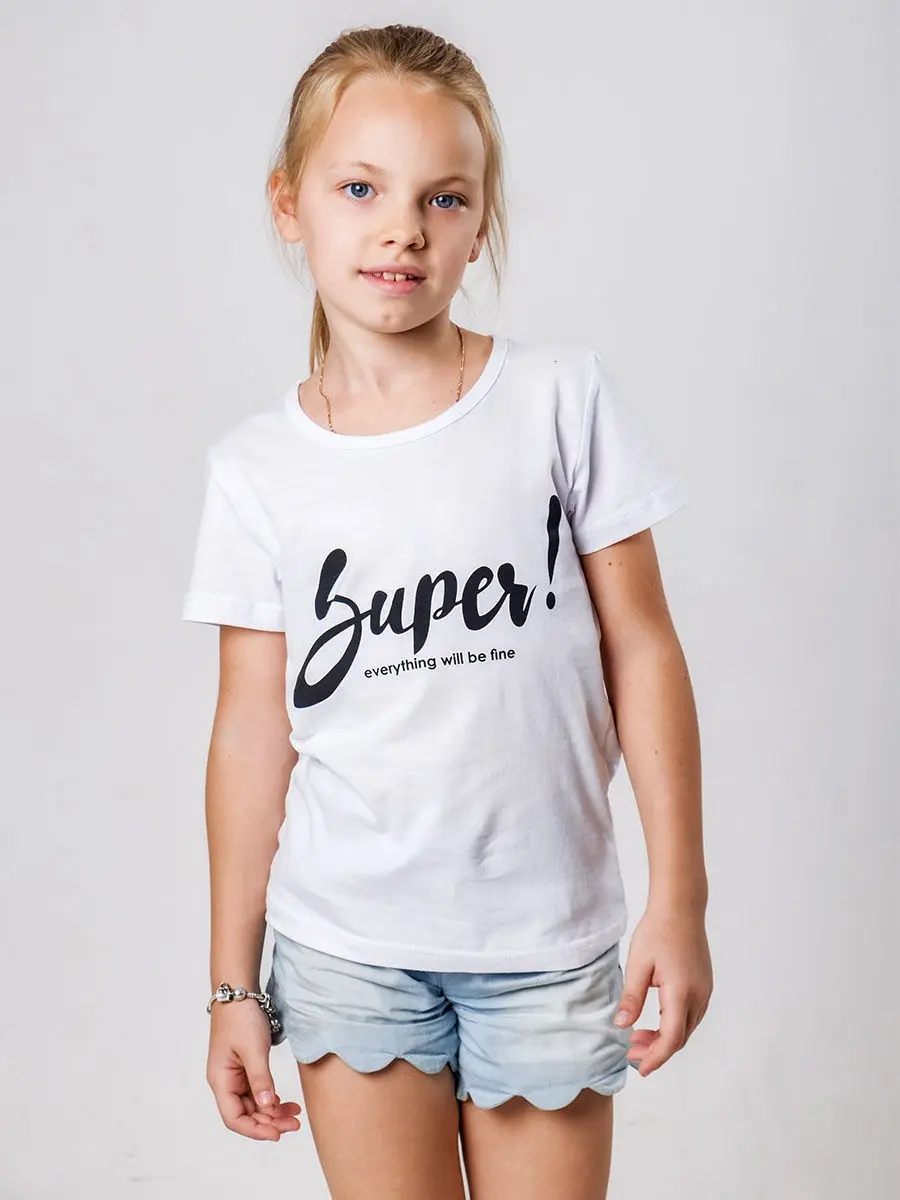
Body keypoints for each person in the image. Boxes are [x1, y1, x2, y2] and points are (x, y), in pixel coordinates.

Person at [181, 21, 713, 1200]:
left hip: (545, 947)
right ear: (289, 205)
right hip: (348, 952)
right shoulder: (257, 470)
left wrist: (680, 896)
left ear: (482, 223)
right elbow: (251, 734)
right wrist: (231, 985)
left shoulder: (560, 401)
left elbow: (644, 652)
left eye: (445, 197)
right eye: (359, 188)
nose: (402, 229)